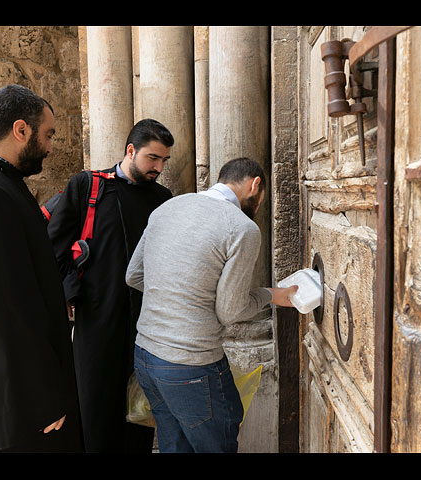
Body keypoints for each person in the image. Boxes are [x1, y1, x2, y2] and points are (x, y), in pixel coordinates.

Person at [126, 157, 298, 453]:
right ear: (255, 184)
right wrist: (271, 295)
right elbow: (230, 311)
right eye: (260, 200)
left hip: (145, 356)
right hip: (191, 366)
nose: (257, 207)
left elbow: (134, 276)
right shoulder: (241, 228)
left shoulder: (166, 208)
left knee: (173, 445)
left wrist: (179, 296)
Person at [0, 84, 82, 452]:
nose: (53, 147)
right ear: (21, 130)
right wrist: (41, 401)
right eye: (49, 134)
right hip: (20, 407)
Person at [47, 119, 174, 453]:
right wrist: (72, 292)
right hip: (96, 321)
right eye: (152, 158)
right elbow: (55, 247)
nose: (158, 168)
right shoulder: (88, 186)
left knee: (138, 414)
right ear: (130, 150)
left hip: (146, 325)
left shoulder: (163, 198)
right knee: (95, 413)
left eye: (163, 161)